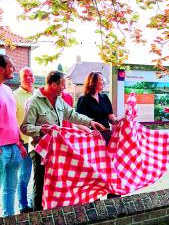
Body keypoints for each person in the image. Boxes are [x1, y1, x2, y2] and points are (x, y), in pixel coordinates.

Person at [20, 70, 105, 211]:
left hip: (56, 151)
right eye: (62, 85)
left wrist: (90, 122)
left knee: (54, 185)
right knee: (40, 185)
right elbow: (24, 127)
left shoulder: (59, 100)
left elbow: (72, 114)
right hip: (40, 151)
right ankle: (37, 218)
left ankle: (52, 214)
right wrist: (40, 130)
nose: (64, 88)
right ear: (53, 84)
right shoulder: (34, 102)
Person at [0, 54, 27, 216]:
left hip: (14, 147)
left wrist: (19, 143)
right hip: (1, 149)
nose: (14, 69)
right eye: (10, 66)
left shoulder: (8, 89)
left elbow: (12, 118)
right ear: (1, 69)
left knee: (10, 189)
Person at [76, 72, 119, 145]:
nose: (104, 82)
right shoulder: (83, 99)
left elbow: (111, 118)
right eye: (101, 80)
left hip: (107, 135)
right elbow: (78, 122)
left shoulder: (105, 97)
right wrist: (90, 132)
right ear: (93, 82)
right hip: (92, 137)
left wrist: (122, 120)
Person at [13, 67, 35, 213]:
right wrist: (18, 142)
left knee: (39, 177)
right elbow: (12, 121)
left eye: (31, 75)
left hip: (39, 142)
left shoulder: (38, 94)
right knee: (24, 176)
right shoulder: (15, 95)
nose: (28, 78)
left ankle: (34, 202)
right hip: (24, 143)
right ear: (20, 78)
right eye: (25, 75)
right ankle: (23, 206)